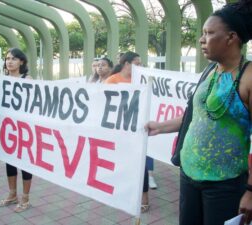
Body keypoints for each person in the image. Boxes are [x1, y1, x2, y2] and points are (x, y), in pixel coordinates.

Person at [145, 1, 252, 224]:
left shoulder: (248, 76)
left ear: (231, 38)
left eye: (209, 33)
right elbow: (194, 116)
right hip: (189, 175)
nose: (201, 39)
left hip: (225, 185)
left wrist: (251, 190)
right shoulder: (210, 71)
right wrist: (160, 127)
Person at [104, 51, 151, 213]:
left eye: (141, 64)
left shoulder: (143, 80)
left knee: (141, 163)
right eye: (137, 64)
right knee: (122, 162)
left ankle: (144, 198)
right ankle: (124, 194)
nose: (140, 67)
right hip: (119, 130)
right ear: (126, 64)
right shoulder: (112, 80)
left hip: (138, 129)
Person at [0, 48, 33, 213]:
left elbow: (35, 103)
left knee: (25, 162)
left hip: (25, 128)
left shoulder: (28, 79)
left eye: (14, 59)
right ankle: (12, 194)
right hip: (8, 128)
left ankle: (25, 197)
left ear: (22, 62)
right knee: (9, 160)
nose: (9, 61)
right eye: (7, 58)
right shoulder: (2, 80)